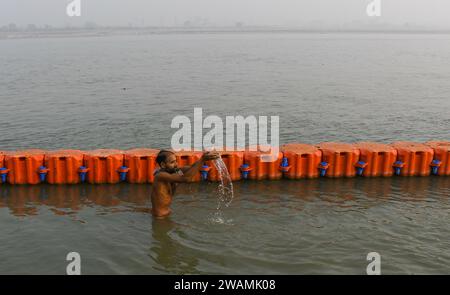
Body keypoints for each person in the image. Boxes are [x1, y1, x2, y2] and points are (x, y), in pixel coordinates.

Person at [151, 150, 220, 218]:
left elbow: (188, 168)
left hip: (166, 213)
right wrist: (202, 159)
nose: (176, 164)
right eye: (172, 162)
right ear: (163, 165)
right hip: (160, 217)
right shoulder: (160, 176)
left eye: (176, 161)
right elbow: (186, 178)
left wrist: (202, 164)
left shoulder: (173, 171)